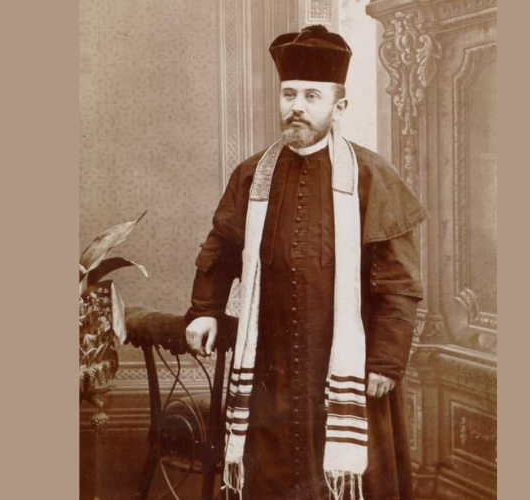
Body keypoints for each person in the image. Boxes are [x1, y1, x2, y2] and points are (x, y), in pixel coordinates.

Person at [182, 25, 426, 500]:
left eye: (312, 96)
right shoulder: (252, 174)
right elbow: (220, 251)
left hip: (345, 360)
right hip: (268, 363)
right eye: (289, 94)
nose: (297, 106)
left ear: (339, 106)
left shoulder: (372, 176)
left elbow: (399, 282)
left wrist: (385, 360)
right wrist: (204, 310)